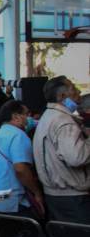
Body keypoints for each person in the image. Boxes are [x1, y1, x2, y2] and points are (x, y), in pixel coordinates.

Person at [32, 76, 90, 224]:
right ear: (62, 96)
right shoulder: (63, 121)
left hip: (54, 194)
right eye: (73, 89)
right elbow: (76, 158)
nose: (78, 92)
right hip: (72, 196)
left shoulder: (48, 116)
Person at [0, 100, 44, 218]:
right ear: (16, 117)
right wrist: (37, 192)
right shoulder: (18, 135)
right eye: (27, 114)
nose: (29, 118)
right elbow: (21, 169)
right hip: (10, 203)